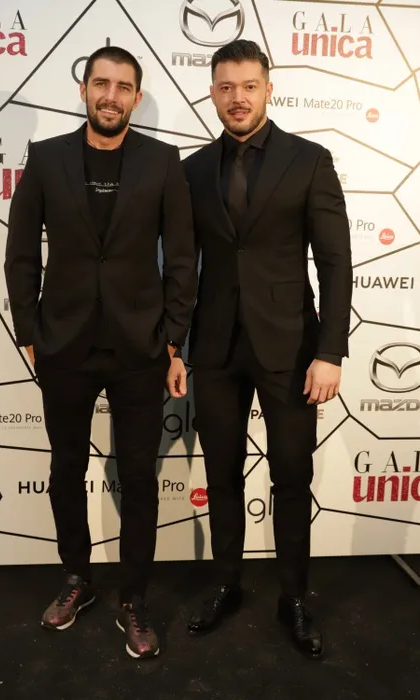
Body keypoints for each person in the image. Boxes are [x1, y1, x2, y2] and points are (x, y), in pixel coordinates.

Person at [4, 45, 197, 660]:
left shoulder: (163, 162)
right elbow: (20, 251)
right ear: (84, 89)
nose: (111, 96)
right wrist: (29, 331)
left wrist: (172, 339)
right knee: (66, 468)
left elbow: (183, 258)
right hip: (63, 344)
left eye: (123, 86)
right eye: (101, 83)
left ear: (136, 97)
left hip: (140, 347)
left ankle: (133, 598)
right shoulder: (46, 158)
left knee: (138, 476)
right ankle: (76, 578)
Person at [183, 39, 352, 659]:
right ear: (212, 92)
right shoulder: (193, 169)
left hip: (292, 347)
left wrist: (331, 351)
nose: (238, 98)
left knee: (292, 474)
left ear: (268, 90)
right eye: (226, 87)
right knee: (221, 473)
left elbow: (335, 261)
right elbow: (181, 265)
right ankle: (226, 584)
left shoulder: (309, 160)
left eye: (248, 86)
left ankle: (294, 598)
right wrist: (174, 345)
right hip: (215, 347)